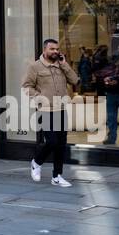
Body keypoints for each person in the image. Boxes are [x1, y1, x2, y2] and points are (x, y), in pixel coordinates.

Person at [22, 38, 78, 186]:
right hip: (45, 110)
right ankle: (36, 162)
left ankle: (57, 176)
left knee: (61, 145)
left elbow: (75, 80)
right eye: (52, 49)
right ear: (44, 50)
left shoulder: (61, 65)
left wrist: (64, 64)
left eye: (57, 49)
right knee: (52, 142)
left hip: (61, 109)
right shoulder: (35, 67)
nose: (55, 52)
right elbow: (27, 87)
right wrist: (39, 97)